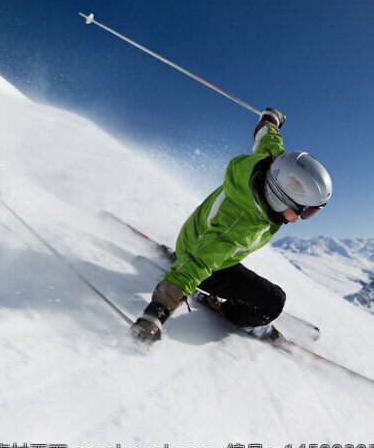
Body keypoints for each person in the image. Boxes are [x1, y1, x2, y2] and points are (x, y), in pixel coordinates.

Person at [130, 108, 332, 344]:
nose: (302, 218)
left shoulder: (271, 165)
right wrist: (155, 316)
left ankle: (181, 258)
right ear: (280, 197)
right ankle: (231, 312)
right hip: (205, 260)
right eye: (305, 211)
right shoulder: (238, 223)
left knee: (210, 257)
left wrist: (271, 121)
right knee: (273, 302)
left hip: (196, 239)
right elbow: (199, 262)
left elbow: (269, 138)